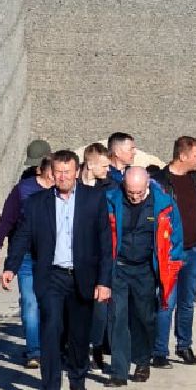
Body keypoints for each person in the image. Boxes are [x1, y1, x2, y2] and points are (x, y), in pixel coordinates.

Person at [2, 150, 114, 390]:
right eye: (58, 172)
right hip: (51, 276)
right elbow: (23, 236)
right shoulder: (36, 202)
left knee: (78, 334)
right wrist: (11, 267)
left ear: (77, 172)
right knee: (50, 330)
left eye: (67, 172)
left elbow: (105, 243)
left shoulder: (93, 199)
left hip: (82, 277)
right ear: (51, 173)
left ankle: (77, 380)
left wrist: (104, 281)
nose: (62, 177)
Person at [103, 167, 184, 387]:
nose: (135, 197)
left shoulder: (164, 204)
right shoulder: (111, 200)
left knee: (144, 317)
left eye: (139, 192)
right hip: (118, 268)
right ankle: (119, 372)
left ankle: (142, 361)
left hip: (146, 269)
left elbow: (176, 239)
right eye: (131, 192)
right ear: (124, 186)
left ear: (147, 185)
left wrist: (171, 267)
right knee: (118, 318)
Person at [149, 136, 196, 366]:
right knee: (166, 301)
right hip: (170, 252)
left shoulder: (194, 178)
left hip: (193, 250)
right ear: (182, 156)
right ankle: (159, 351)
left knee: (187, 302)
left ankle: (184, 346)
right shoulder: (159, 181)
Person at [0, 155, 53, 367]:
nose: (58, 177)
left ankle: (51, 346)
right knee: (29, 302)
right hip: (26, 256)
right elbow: (6, 220)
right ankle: (34, 352)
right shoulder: (23, 190)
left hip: (53, 258)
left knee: (50, 305)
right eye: (53, 173)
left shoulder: (65, 191)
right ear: (42, 171)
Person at [81, 142, 115, 368]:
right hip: (76, 257)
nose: (108, 170)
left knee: (100, 306)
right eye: (104, 166)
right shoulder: (72, 188)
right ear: (90, 165)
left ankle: (97, 346)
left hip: (101, 254)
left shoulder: (111, 188)